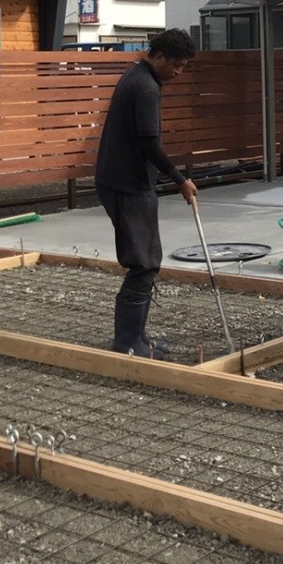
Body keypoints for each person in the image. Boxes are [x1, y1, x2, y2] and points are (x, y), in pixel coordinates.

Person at [95, 28, 198, 357]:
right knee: (143, 261)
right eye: (177, 65)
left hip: (127, 181)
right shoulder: (144, 87)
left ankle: (137, 337)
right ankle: (127, 341)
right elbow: (147, 143)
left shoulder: (138, 78)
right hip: (126, 183)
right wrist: (179, 179)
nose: (178, 72)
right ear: (159, 57)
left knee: (146, 259)